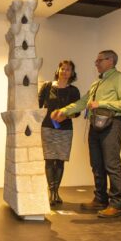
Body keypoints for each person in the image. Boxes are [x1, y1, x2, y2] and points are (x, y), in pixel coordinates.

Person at [52, 50, 121, 218]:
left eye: (99, 60)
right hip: (96, 125)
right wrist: (64, 111)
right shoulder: (98, 82)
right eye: (96, 60)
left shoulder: (120, 78)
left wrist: (101, 103)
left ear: (110, 61)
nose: (96, 63)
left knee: (112, 164)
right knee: (96, 164)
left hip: (112, 124)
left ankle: (116, 205)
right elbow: (84, 102)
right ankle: (100, 199)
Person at [38, 60, 80, 206]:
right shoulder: (47, 86)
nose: (64, 71)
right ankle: (52, 193)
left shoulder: (74, 91)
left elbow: (77, 113)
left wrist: (65, 116)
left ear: (72, 73)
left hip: (65, 128)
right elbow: (38, 106)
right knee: (49, 159)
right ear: (58, 70)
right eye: (62, 68)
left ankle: (56, 192)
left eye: (68, 69)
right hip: (48, 127)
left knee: (60, 160)